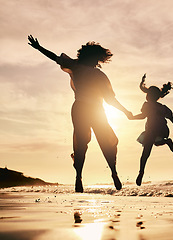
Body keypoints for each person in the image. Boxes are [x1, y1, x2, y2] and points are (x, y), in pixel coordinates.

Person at [27, 35, 131, 193]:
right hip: (93, 109)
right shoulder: (97, 75)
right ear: (94, 58)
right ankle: (108, 172)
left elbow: (55, 58)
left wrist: (125, 111)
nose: (96, 62)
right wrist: (125, 112)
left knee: (84, 143)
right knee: (105, 141)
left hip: (83, 108)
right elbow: (110, 100)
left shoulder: (78, 67)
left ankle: (82, 176)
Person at [127, 74, 173, 186]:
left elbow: (143, 116)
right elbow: (172, 119)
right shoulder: (162, 107)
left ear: (148, 96)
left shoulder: (148, 105)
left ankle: (141, 172)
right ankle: (167, 141)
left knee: (146, 152)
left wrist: (132, 117)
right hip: (163, 130)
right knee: (156, 143)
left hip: (152, 129)